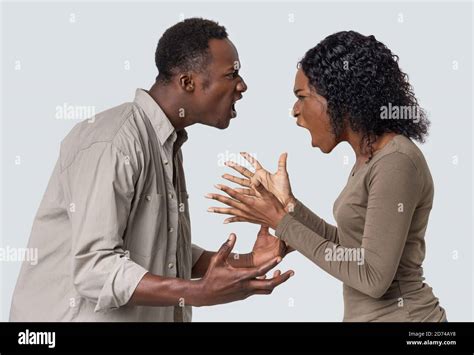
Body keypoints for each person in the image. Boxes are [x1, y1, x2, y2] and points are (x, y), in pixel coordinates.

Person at [9, 18, 293, 322]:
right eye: (231, 74)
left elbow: (160, 249)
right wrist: (196, 291)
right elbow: (95, 267)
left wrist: (248, 261)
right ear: (187, 82)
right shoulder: (113, 141)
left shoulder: (164, 141)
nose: (242, 85)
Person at [207, 31, 447, 322]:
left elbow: (372, 277)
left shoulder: (395, 162)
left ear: (338, 98)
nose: (295, 110)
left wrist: (280, 222)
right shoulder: (370, 158)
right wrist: (289, 206)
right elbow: (351, 250)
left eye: (302, 97)